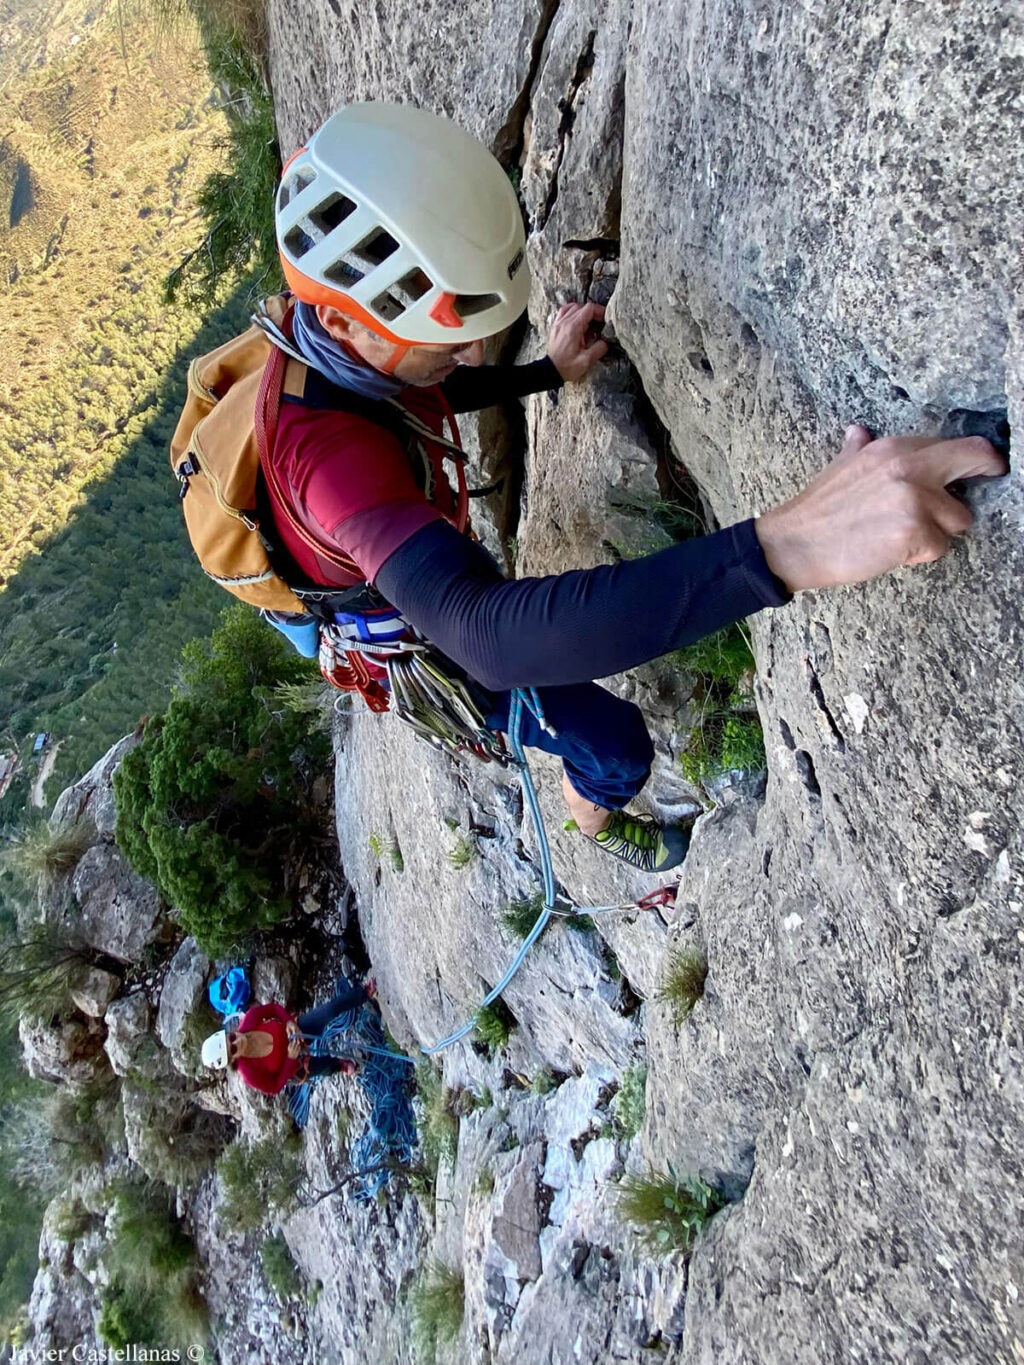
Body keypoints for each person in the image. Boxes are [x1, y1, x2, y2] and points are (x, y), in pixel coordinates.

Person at [260, 102, 1006, 874]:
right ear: (346, 325)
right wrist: (794, 543)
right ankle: (595, 817)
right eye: (442, 338)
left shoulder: (340, 343)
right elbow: (485, 637)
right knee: (616, 744)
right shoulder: (328, 462)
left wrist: (546, 372)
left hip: (399, 556)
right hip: (408, 641)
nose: (473, 349)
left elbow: (416, 391)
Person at [200, 979, 375, 1096]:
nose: (237, 1041)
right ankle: (340, 1066)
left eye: (231, 1038)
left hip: (296, 1032)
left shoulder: (250, 1020)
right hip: (293, 1066)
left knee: (329, 1010)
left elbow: (274, 1009)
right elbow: (274, 1086)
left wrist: (289, 1021)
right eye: (233, 1048)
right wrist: (291, 1059)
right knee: (326, 1066)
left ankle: (363, 993)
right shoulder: (249, 1074)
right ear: (233, 1058)